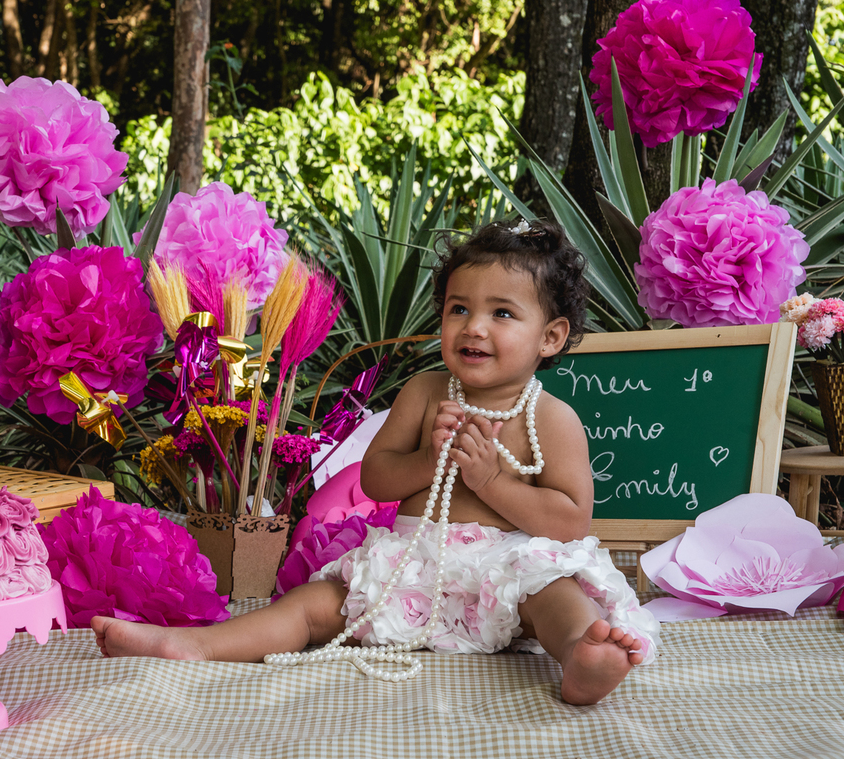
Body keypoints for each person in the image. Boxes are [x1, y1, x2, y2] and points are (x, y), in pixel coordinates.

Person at [92, 219, 660, 706]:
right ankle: (196, 645)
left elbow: (570, 521)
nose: (474, 326)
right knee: (312, 605)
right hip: (414, 564)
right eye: (459, 308)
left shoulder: (552, 419)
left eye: (503, 313)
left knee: (558, 596)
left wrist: (489, 480)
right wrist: (428, 458)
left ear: (551, 337)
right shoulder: (425, 392)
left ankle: (582, 657)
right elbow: (377, 479)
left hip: (509, 572)